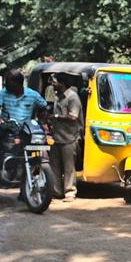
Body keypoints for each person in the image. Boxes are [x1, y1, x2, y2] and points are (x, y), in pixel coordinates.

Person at [49, 73, 83, 202]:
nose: (52, 84)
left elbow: (73, 117)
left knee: (69, 166)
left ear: (62, 84)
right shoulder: (58, 97)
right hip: (57, 136)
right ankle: (56, 191)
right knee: (54, 165)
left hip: (70, 137)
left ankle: (70, 192)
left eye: (54, 82)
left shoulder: (72, 97)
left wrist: (56, 117)